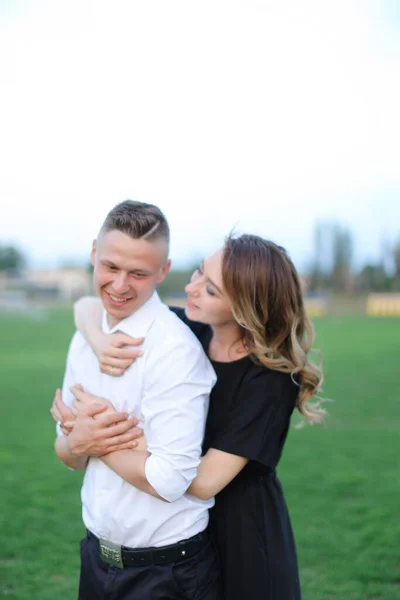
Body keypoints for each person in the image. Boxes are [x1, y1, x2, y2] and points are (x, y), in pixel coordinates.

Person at [54, 233, 326, 599]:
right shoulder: (193, 331)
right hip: (183, 528)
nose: (191, 288)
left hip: (241, 534)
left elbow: (202, 482)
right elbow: (87, 305)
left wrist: (97, 439)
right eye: (199, 272)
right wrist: (98, 340)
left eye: (211, 290)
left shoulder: (271, 378)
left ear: (246, 307)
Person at [52, 200, 222, 600]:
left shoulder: (174, 351)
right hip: (96, 558)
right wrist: (76, 442)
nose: (121, 285)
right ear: (94, 253)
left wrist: (93, 439)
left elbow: (169, 481)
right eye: (111, 267)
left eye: (139, 273)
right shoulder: (84, 338)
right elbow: (69, 455)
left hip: (167, 572)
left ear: (163, 271)